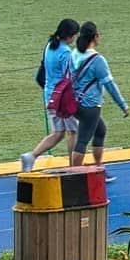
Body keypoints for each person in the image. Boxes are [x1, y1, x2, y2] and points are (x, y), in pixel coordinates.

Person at [69, 21, 130, 170]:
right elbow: (110, 85)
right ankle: (74, 176)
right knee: (82, 140)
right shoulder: (98, 60)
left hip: (74, 101)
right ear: (95, 37)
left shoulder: (74, 53)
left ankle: (98, 167)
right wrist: (123, 105)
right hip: (90, 104)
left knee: (100, 130)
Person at [21, 18, 80, 170]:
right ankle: (74, 167)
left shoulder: (50, 46)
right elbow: (69, 77)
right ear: (70, 35)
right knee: (74, 132)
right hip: (64, 98)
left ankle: (31, 156)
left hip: (50, 96)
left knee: (58, 133)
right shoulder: (66, 52)